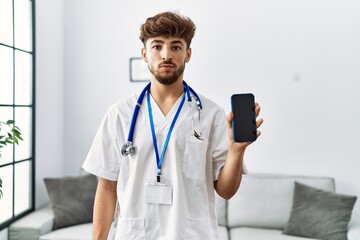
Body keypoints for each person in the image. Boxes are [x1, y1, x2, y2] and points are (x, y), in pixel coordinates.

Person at [83, 11, 263, 240]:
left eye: (176, 47)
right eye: (157, 46)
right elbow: (107, 187)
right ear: (144, 54)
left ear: (188, 54)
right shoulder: (119, 114)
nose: (166, 54)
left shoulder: (211, 115)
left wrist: (237, 151)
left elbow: (226, 191)